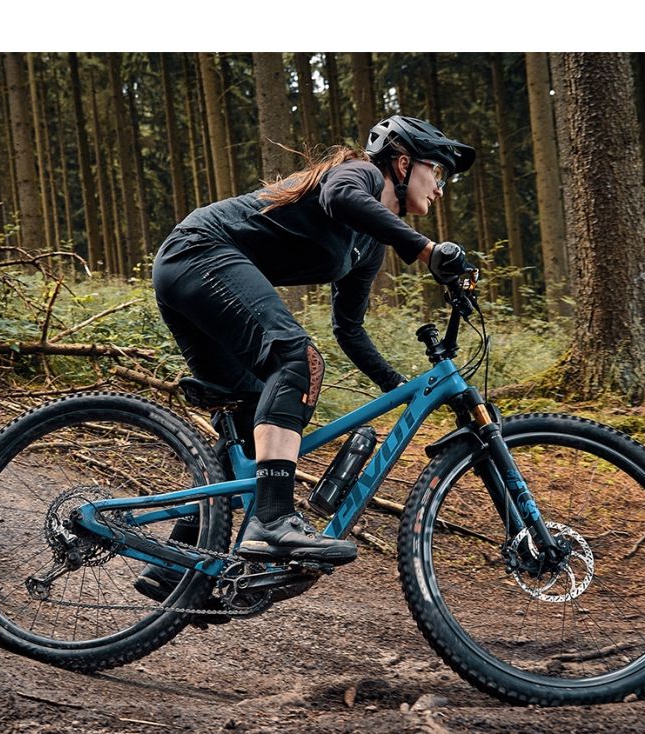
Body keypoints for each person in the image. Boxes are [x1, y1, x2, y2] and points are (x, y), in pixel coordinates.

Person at [135, 115, 475, 603]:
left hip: (191, 275)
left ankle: (175, 566)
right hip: (199, 253)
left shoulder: (368, 245)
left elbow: (349, 329)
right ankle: (273, 521)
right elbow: (341, 198)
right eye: (436, 173)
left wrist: (400, 385)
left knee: (252, 417)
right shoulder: (358, 174)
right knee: (298, 361)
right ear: (403, 164)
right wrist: (426, 251)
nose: (439, 189)